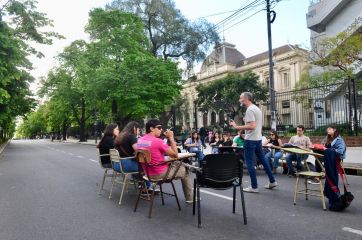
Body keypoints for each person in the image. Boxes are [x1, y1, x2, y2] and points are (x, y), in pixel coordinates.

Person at [229, 92, 277, 193]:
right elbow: (255, 124)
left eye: (240, 98)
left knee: (249, 162)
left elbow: (252, 126)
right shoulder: (256, 108)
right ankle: (272, 181)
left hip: (250, 140)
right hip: (258, 139)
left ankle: (254, 187)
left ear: (246, 99)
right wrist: (246, 122)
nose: (239, 100)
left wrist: (236, 126)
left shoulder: (249, 110)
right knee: (263, 160)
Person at [137, 119, 194, 203]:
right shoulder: (158, 141)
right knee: (184, 171)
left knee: (177, 163)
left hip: (147, 173)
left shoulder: (140, 140)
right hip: (159, 173)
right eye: (159, 127)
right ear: (152, 128)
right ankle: (190, 199)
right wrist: (171, 138)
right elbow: (175, 154)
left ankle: (190, 167)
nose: (161, 130)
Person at [320, 125, 347, 210]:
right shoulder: (327, 138)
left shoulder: (339, 140)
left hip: (334, 160)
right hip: (327, 159)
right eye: (327, 129)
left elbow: (341, 151)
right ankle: (331, 196)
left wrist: (329, 150)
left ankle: (334, 197)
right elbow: (322, 145)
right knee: (330, 176)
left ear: (334, 130)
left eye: (329, 129)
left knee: (332, 176)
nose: (327, 130)